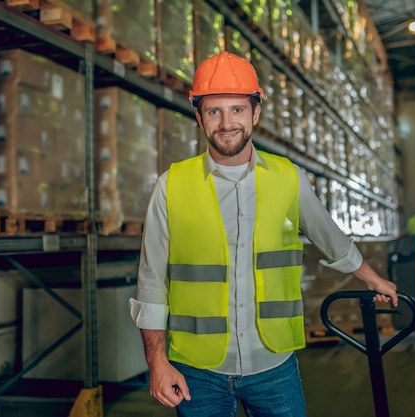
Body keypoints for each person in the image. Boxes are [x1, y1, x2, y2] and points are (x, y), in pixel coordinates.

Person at [128, 51, 398, 417]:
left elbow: (329, 237)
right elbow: (151, 280)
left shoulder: (288, 178)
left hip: (273, 364)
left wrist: (372, 278)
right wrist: (157, 361)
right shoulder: (171, 185)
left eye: (237, 109)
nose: (227, 122)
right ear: (198, 116)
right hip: (196, 369)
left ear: (255, 113)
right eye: (214, 111)